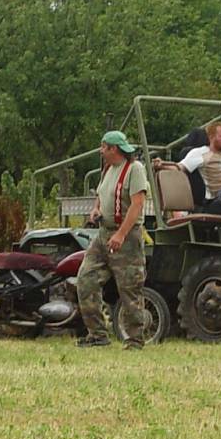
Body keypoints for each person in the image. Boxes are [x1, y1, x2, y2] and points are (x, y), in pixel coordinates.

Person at [77, 130, 149, 350]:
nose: (101, 151)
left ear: (113, 149)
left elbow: (137, 205)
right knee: (86, 279)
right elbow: (101, 195)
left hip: (126, 237)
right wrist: (96, 210)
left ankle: (135, 339)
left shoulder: (134, 169)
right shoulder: (108, 169)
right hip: (103, 234)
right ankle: (97, 334)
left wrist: (121, 234)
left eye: (103, 147)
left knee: (129, 288)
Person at [153, 121, 221, 218]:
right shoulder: (201, 153)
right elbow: (180, 167)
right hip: (219, 196)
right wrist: (161, 165)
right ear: (211, 137)